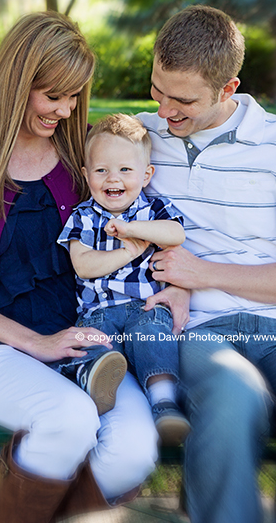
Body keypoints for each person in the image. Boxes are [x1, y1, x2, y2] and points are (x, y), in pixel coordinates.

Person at [0, 12, 163, 523]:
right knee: (71, 421)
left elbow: (145, 216)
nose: (67, 109)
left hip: (86, 348)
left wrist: (176, 284)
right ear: (17, 82)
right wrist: (36, 343)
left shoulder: (84, 162)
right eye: (53, 95)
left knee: (134, 451)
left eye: (75, 96)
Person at [139, 5, 276, 523]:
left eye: (183, 99)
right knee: (232, 398)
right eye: (156, 88)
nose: (164, 109)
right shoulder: (139, 139)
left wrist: (205, 273)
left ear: (228, 87)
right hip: (198, 329)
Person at [53, 113, 190, 445]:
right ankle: (96, 380)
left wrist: (131, 230)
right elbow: (83, 265)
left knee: (153, 339)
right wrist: (128, 252)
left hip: (146, 307)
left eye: (125, 170)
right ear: (87, 175)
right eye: (102, 170)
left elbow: (175, 234)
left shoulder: (155, 209)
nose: (113, 178)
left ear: (146, 175)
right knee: (91, 345)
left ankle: (164, 404)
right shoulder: (83, 216)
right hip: (98, 311)